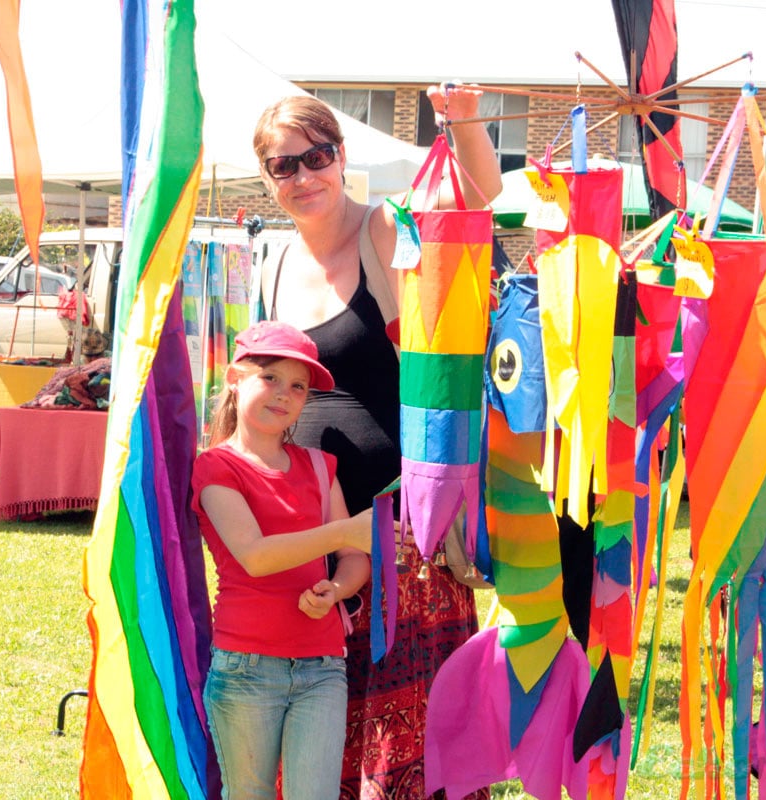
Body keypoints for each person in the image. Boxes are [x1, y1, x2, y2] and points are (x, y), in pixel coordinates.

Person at [254, 86, 502, 798]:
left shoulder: (385, 232)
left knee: (410, 741)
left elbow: (473, 205)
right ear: (268, 179)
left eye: (316, 157)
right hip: (307, 533)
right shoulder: (272, 262)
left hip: (405, 534)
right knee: (317, 733)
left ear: (340, 156)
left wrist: (463, 121)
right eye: (283, 166)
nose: (303, 176)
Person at [193, 320, 373, 800]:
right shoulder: (215, 466)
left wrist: (337, 589)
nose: (284, 394)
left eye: (298, 386)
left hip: (323, 666)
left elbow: (353, 559)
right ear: (235, 378)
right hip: (246, 666)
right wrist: (345, 531)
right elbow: (255, 556)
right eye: (270, 377)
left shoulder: (319, 465)